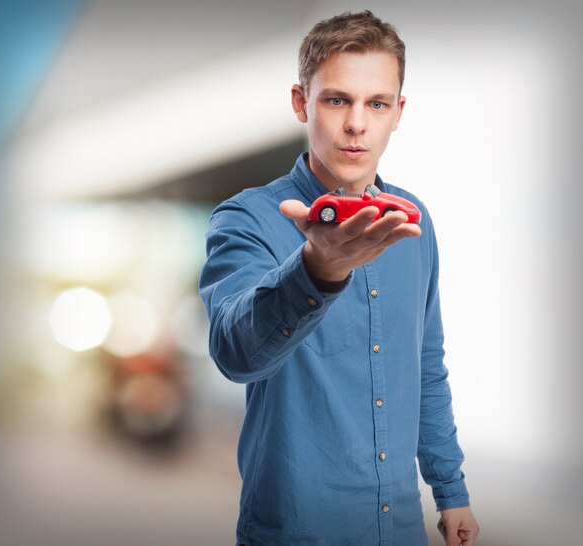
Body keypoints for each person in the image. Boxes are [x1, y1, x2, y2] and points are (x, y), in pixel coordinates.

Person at [199, 10, 479, 546]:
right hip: (297, 532)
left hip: (399, 529)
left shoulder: (412, 220)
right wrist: (316, 271)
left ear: (398, 112)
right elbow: (235, 354)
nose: (357, 124)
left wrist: (451, 489)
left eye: (376, 103)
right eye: (336, 100)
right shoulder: (247, 220)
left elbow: (425, 369)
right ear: (302, 102)